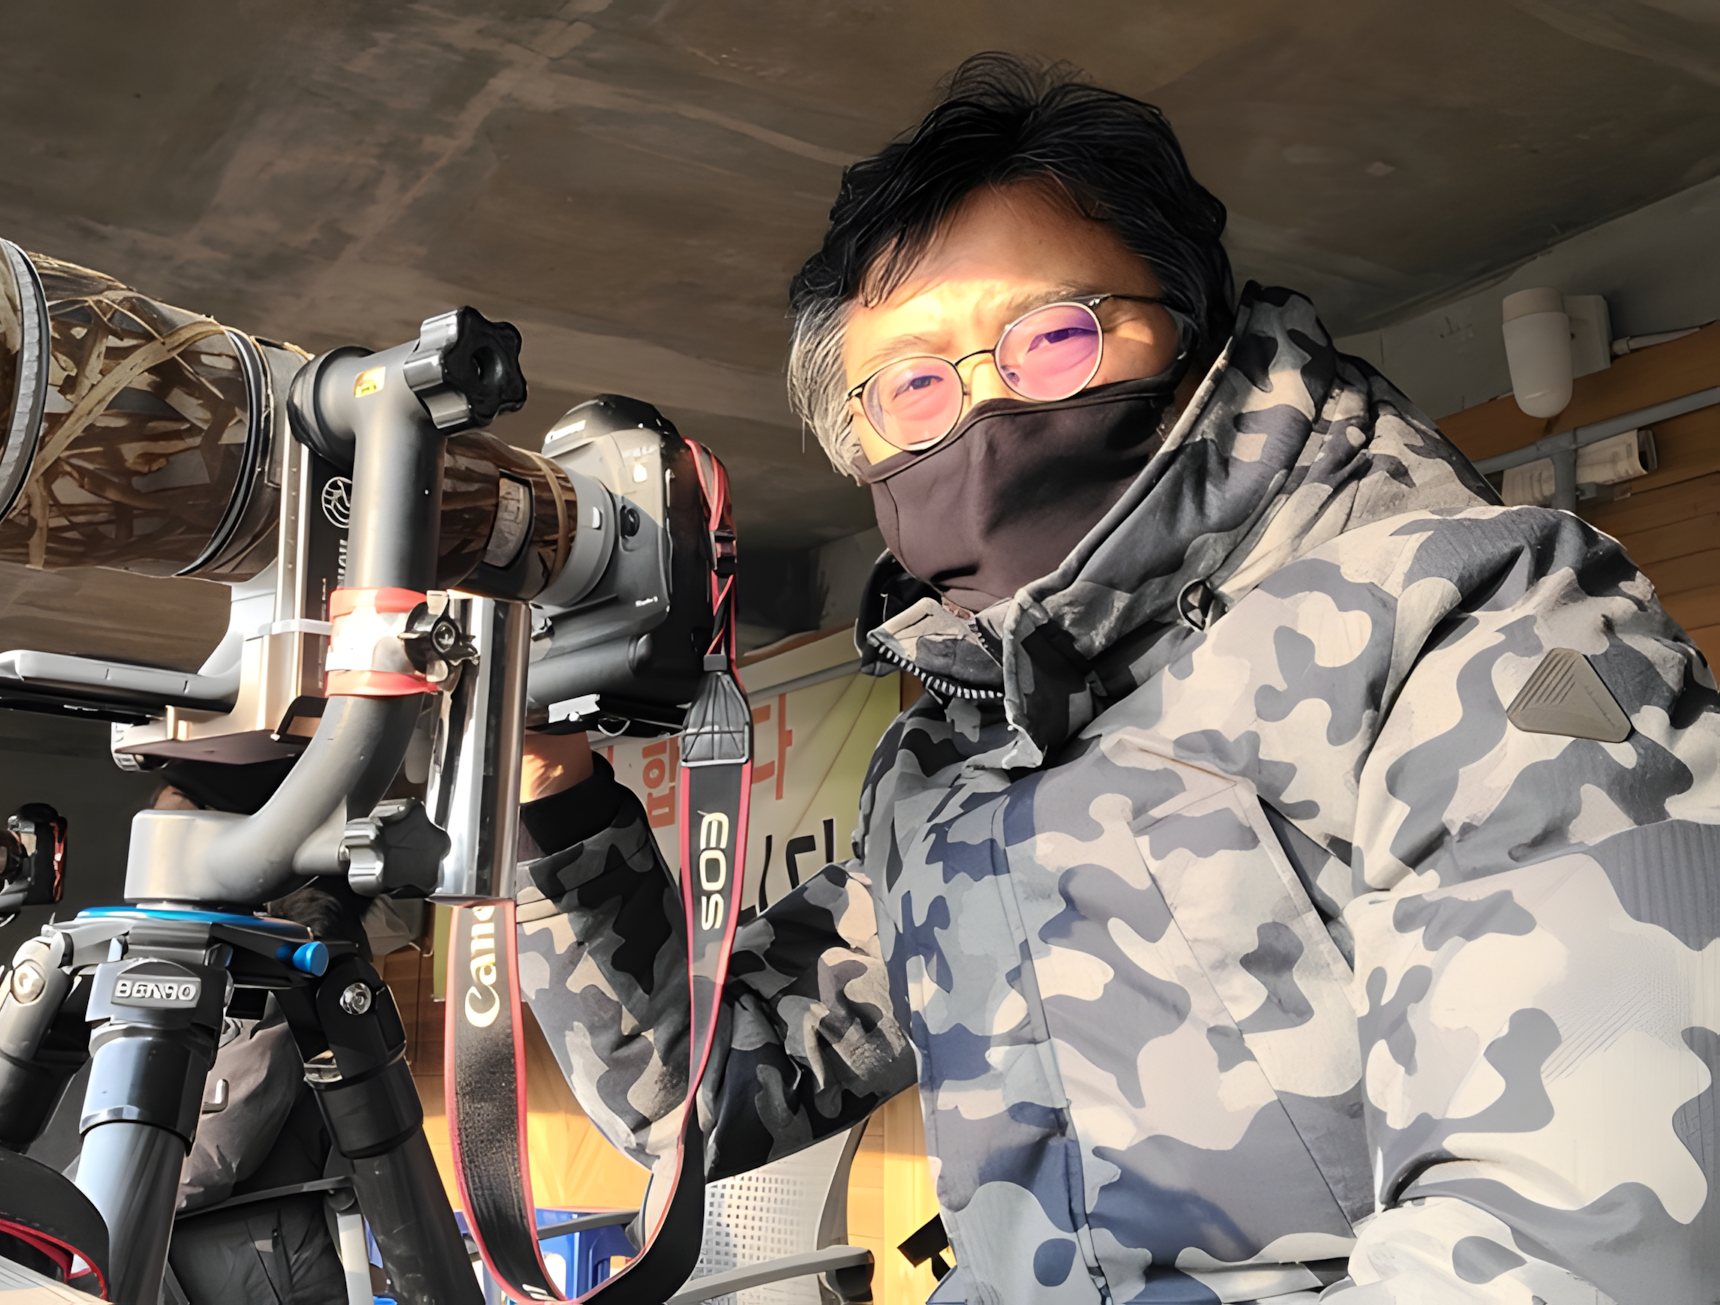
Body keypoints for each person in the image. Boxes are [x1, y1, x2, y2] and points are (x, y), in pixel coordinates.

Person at [515, 53, 1720, 1302]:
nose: (981, 406)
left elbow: (1591, 1252)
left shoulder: (1477, 622)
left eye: (1051, 337)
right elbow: (696, 1098)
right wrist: (550, 789)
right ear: (858, 447)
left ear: (1193, 336)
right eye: (912, 384)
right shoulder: (950, 769)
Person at [146, 777, 425, 1305]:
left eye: (181, 832)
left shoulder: (276, 975)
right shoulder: (222, 967)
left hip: (246, 1264)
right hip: (228, 1260)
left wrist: (87, 1206)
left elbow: (215, 1153)